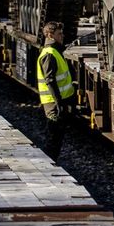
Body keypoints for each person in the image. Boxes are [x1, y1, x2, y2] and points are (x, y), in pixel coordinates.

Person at [37, 21, 76, 159]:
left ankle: (52, 161)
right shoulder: (49, 54)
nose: (62, 36)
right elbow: (50, 80)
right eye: (59, 34)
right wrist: (58, 102)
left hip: (58, 101)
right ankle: (49, 163)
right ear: (50, 35)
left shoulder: (55, 51)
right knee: (53, 137)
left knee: (56, 137)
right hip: (53, 103)